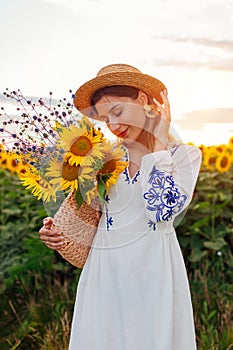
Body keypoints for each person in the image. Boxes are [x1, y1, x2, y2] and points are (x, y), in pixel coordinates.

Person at [39, 63, 202, 350]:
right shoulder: (105, 161)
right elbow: (86, 212)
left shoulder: (184, 156)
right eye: (104, 118)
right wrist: (58, 231)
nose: (112, 125)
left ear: (142, 100)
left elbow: (162, 212)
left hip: (153, 271)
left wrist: (159, 143)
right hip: (105, 272)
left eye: (117, 111)